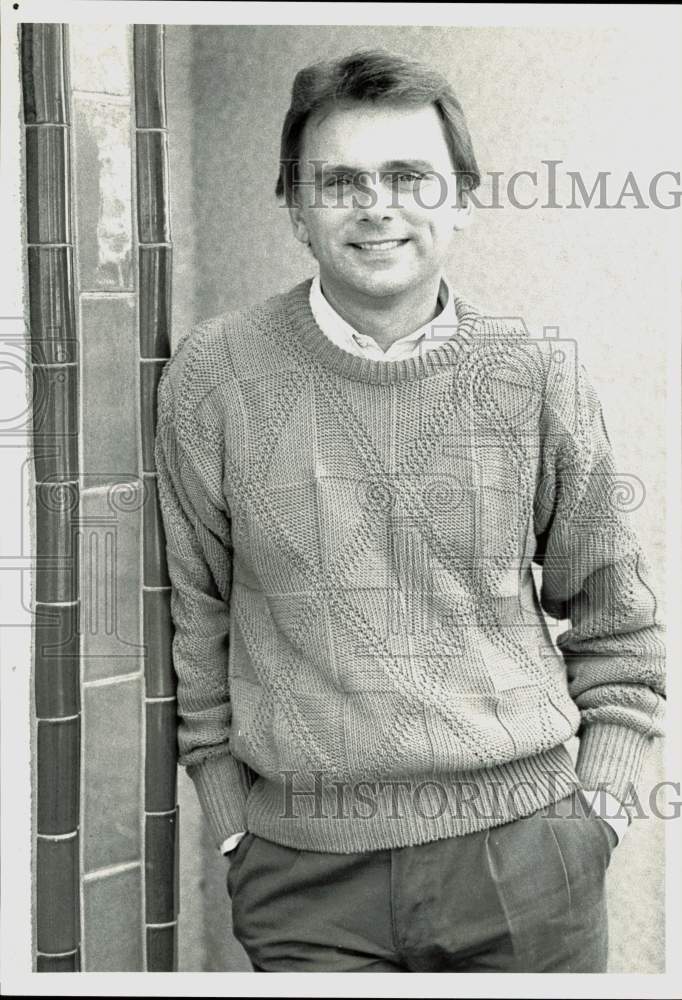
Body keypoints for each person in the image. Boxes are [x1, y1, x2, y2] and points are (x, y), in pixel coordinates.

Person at [154, 49, 666, 973]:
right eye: (339, 180)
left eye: (409, 176)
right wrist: (233, 824)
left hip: (526, 853)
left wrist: (600, 807)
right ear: (297, 208)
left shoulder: (536, 372)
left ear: (461, 198)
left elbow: (616, 619)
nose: (376, 203)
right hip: (305, 878)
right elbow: (196, 617)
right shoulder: (215, 375)